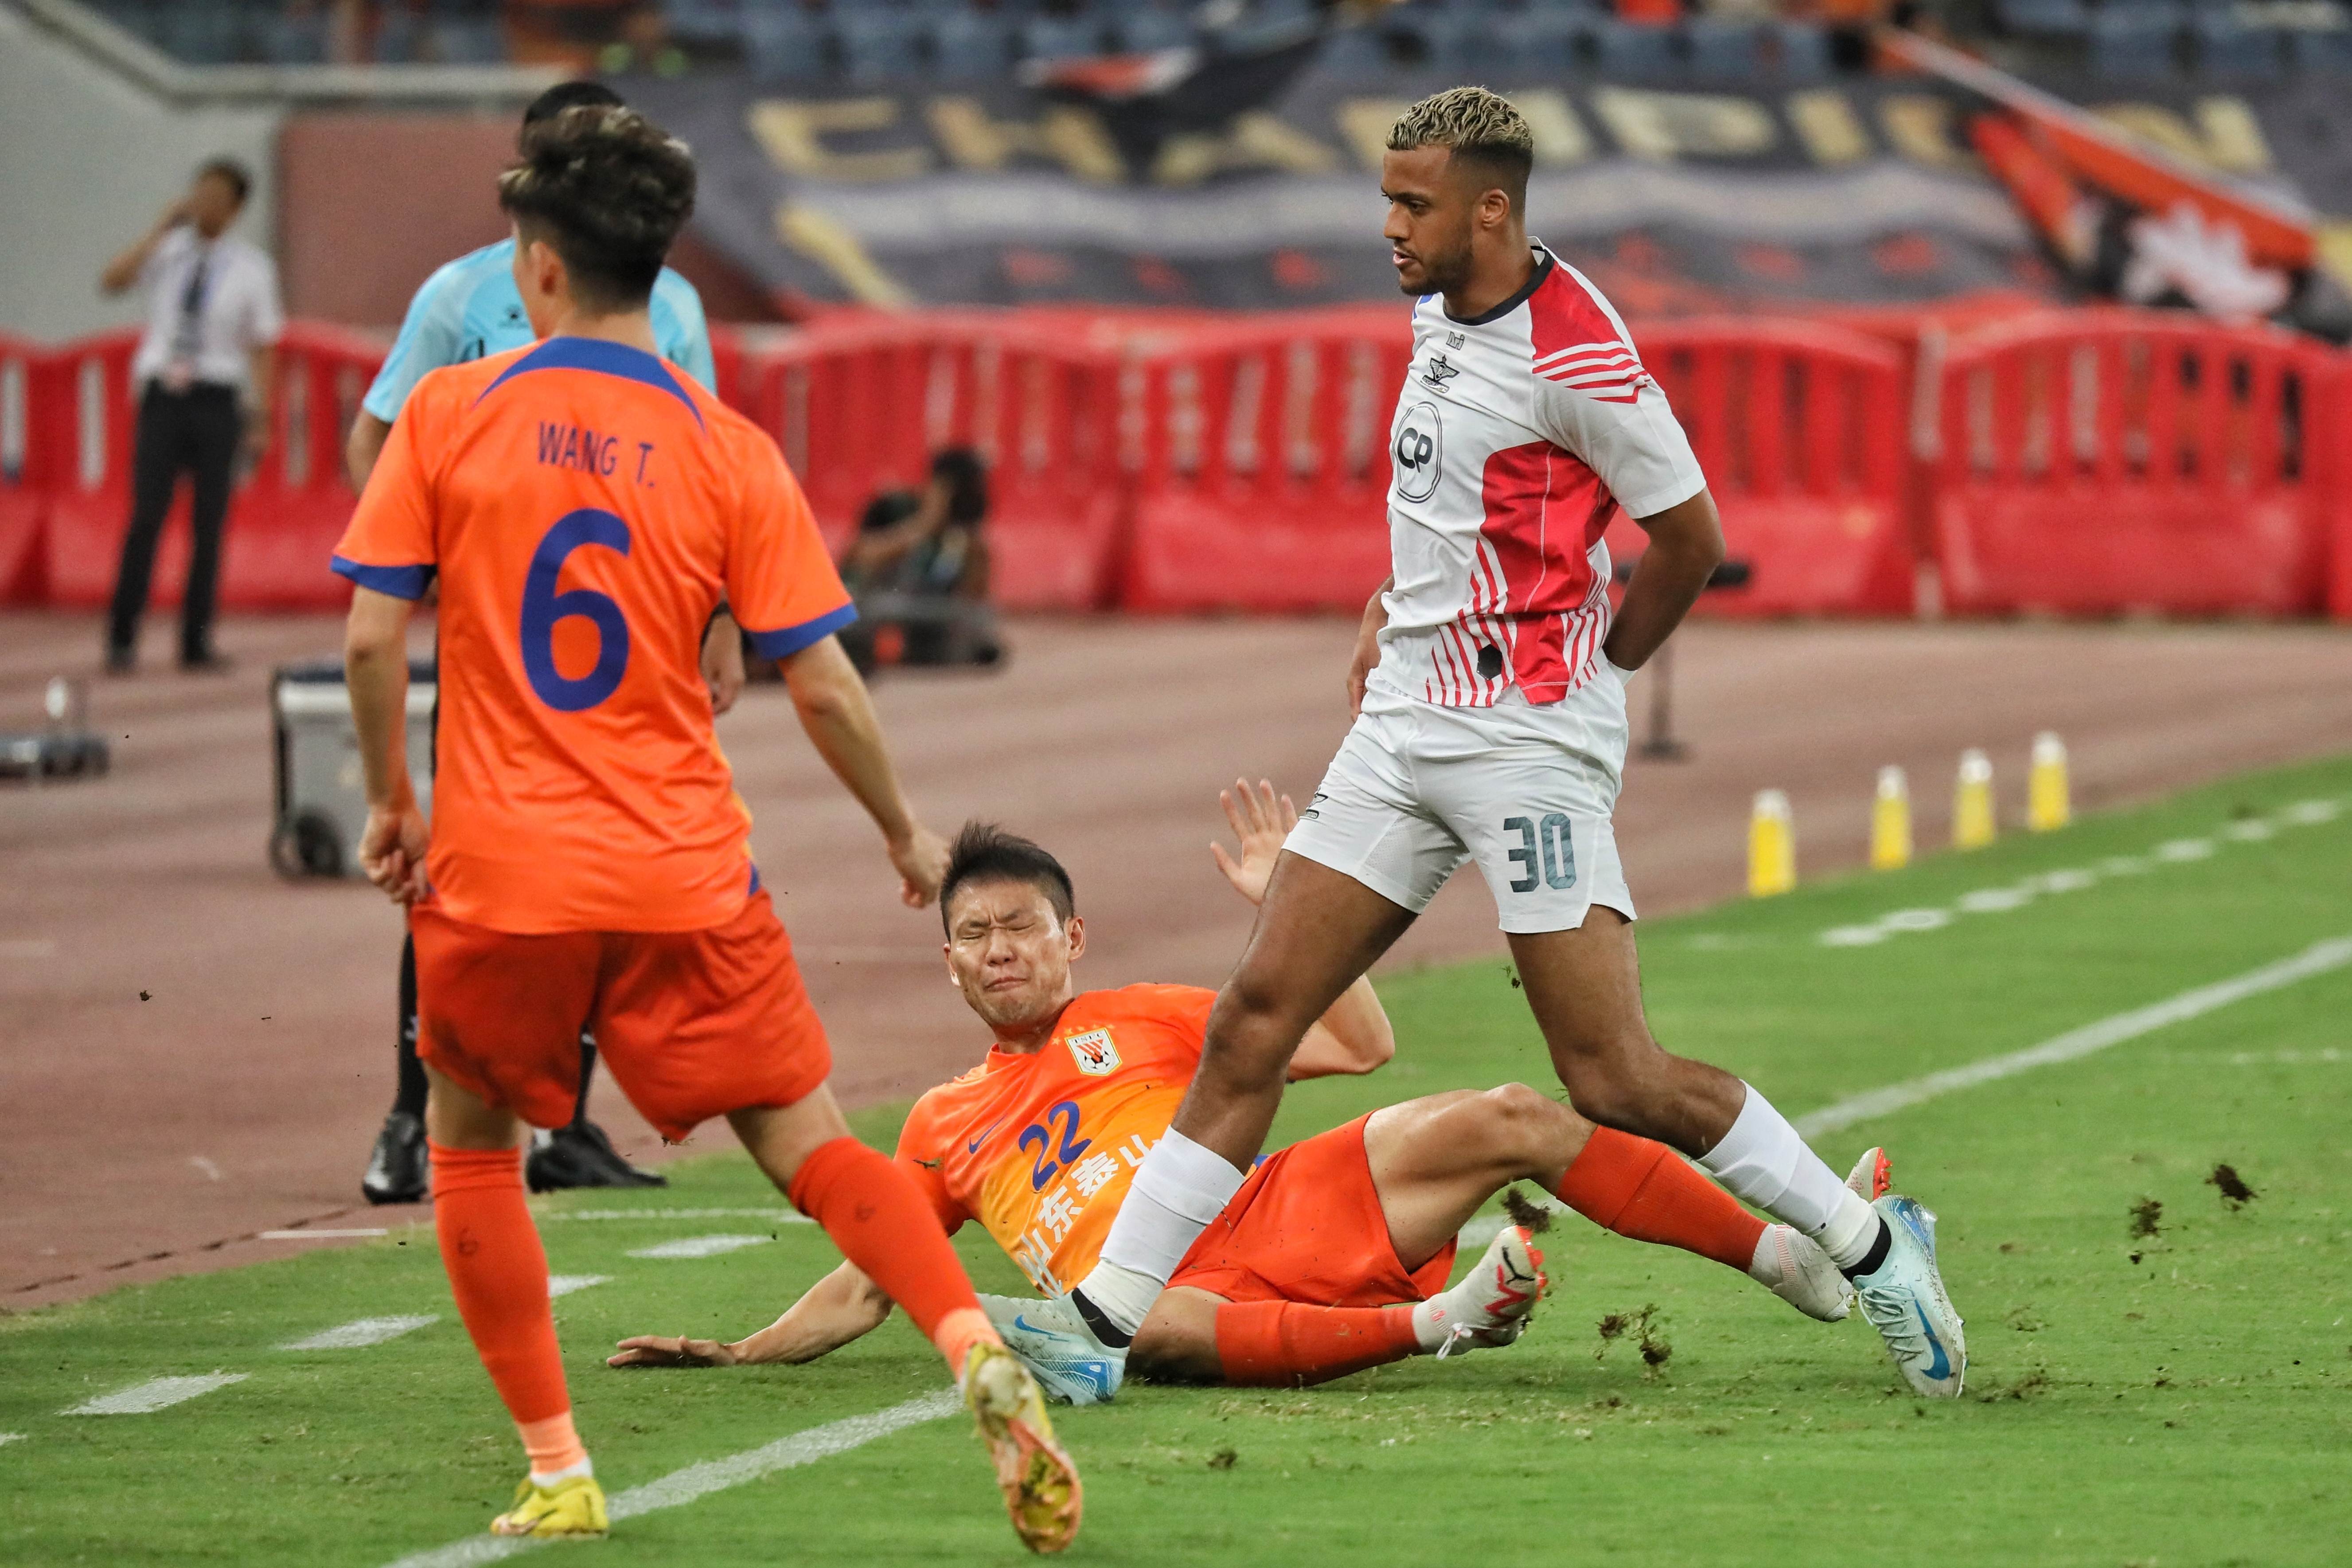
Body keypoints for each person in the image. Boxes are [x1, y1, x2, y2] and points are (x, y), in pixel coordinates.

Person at [1067, 88, 1968, 1401]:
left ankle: (1874, 1244)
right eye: (1386, 199)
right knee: (1254, 1017)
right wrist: (1397, 604)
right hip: (1402, 727)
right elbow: (1459, 495)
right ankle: (1097, 1330)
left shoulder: (1579, 357)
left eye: (1412, 204)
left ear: (1489, 209)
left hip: (1524, 745)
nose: (1389, 227)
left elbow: (1689, 540)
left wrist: (1591, 673)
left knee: (1612, 1075)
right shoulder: (1439, 303)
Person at [332, 104, 1080, 1549]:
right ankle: (968, 1341)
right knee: (813, 1148)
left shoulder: (449, 412)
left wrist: (390, 804)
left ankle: (559, 1465)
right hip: (684, 867)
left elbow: (372, 640)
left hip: (498, 873)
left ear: (538, 268)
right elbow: (823, 679)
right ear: (661, 270)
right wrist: (904, 834)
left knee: (472, 1150)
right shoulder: (725, 448)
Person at [605, 788, 1863, 1400]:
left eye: (1021, 926)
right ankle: (1438, 1321)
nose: (999, 951)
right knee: (1134, 1328)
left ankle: (1784, 1257)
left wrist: (1287, 910)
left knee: (1511, 1113)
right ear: (948, 963)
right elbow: (871, 1273)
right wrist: (742, 1349)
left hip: (1270, 1211)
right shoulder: (940, 1121)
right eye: (973, 935)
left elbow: (1361, 1044)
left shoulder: (1143, 1013)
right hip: (1159, 1294)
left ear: (1071, 938)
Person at [352, 78, 740, 1205]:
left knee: (602, 880)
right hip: (497, 647)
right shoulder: (458, 295)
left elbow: (708, 468)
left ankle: (564, 1120)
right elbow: (377, 436)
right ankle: (413, 1116)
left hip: (628, 647)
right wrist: (412, 557)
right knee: (459, 878)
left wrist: (717, 617)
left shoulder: (667, 305)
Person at [98, 157, 283, 675]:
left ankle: (196, 640)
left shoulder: (252, 269)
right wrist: (160, 229)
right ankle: (121, 636)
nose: (206, 204)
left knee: (209, 523)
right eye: (200, 192)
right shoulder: (165, 252)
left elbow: (264, 344)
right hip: (164, 398)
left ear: (237, 208)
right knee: (146, 516)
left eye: (218, 196)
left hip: (217, 400)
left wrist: (261, 414)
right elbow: (112, 281)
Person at [836, 447, 1000, 675]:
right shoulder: (894, 507)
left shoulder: (964, 537)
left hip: (929, 615)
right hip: (878, 608)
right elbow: (857, 559)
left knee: (977, 626)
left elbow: (974, 599)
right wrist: (925, 525)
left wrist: (974, 544)